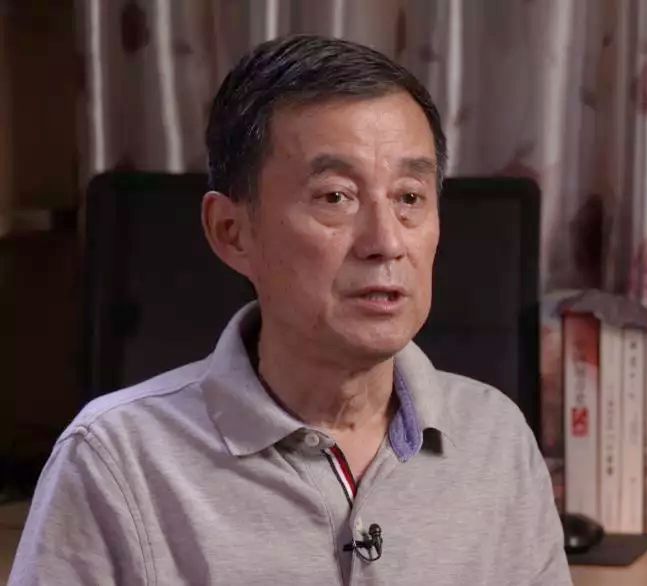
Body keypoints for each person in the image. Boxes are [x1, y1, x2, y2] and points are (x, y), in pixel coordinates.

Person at [10, 35, 570, 585]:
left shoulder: (495, 438)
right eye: (335, 197)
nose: (386, 241)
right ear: (231, 231)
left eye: (409, 197)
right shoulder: (115, 459)